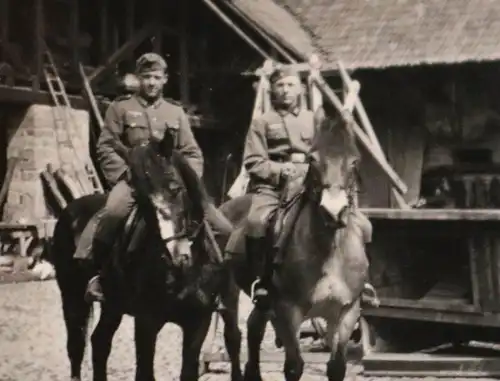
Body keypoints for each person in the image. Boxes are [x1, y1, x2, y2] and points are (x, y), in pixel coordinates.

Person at [78, 52, 232, 302]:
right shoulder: (121, 108)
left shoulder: (175, 112)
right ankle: (100, 277)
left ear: (165, 80)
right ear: (138, 79)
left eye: (156, 77)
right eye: (146, 77)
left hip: (172, 188)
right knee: (114, 212)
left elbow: (191, 152)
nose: (151, 82)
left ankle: (215, 281)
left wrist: (186, 181)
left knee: (222, 226)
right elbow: (106, 147)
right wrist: (125, 174)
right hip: (134, 182)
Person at [243, 65, 322, 306]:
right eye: (280, 85)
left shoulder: (314, 118)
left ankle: (359, 279)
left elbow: (328, 151)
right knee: (256, 222)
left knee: (347, 217)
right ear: (272, 90)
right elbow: (253, 161)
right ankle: (262, 280)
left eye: (290, 85)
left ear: (300, 89)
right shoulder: (262, 122)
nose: (286, 90)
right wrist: (279, 170)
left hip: (311, 181)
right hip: (273, 187)